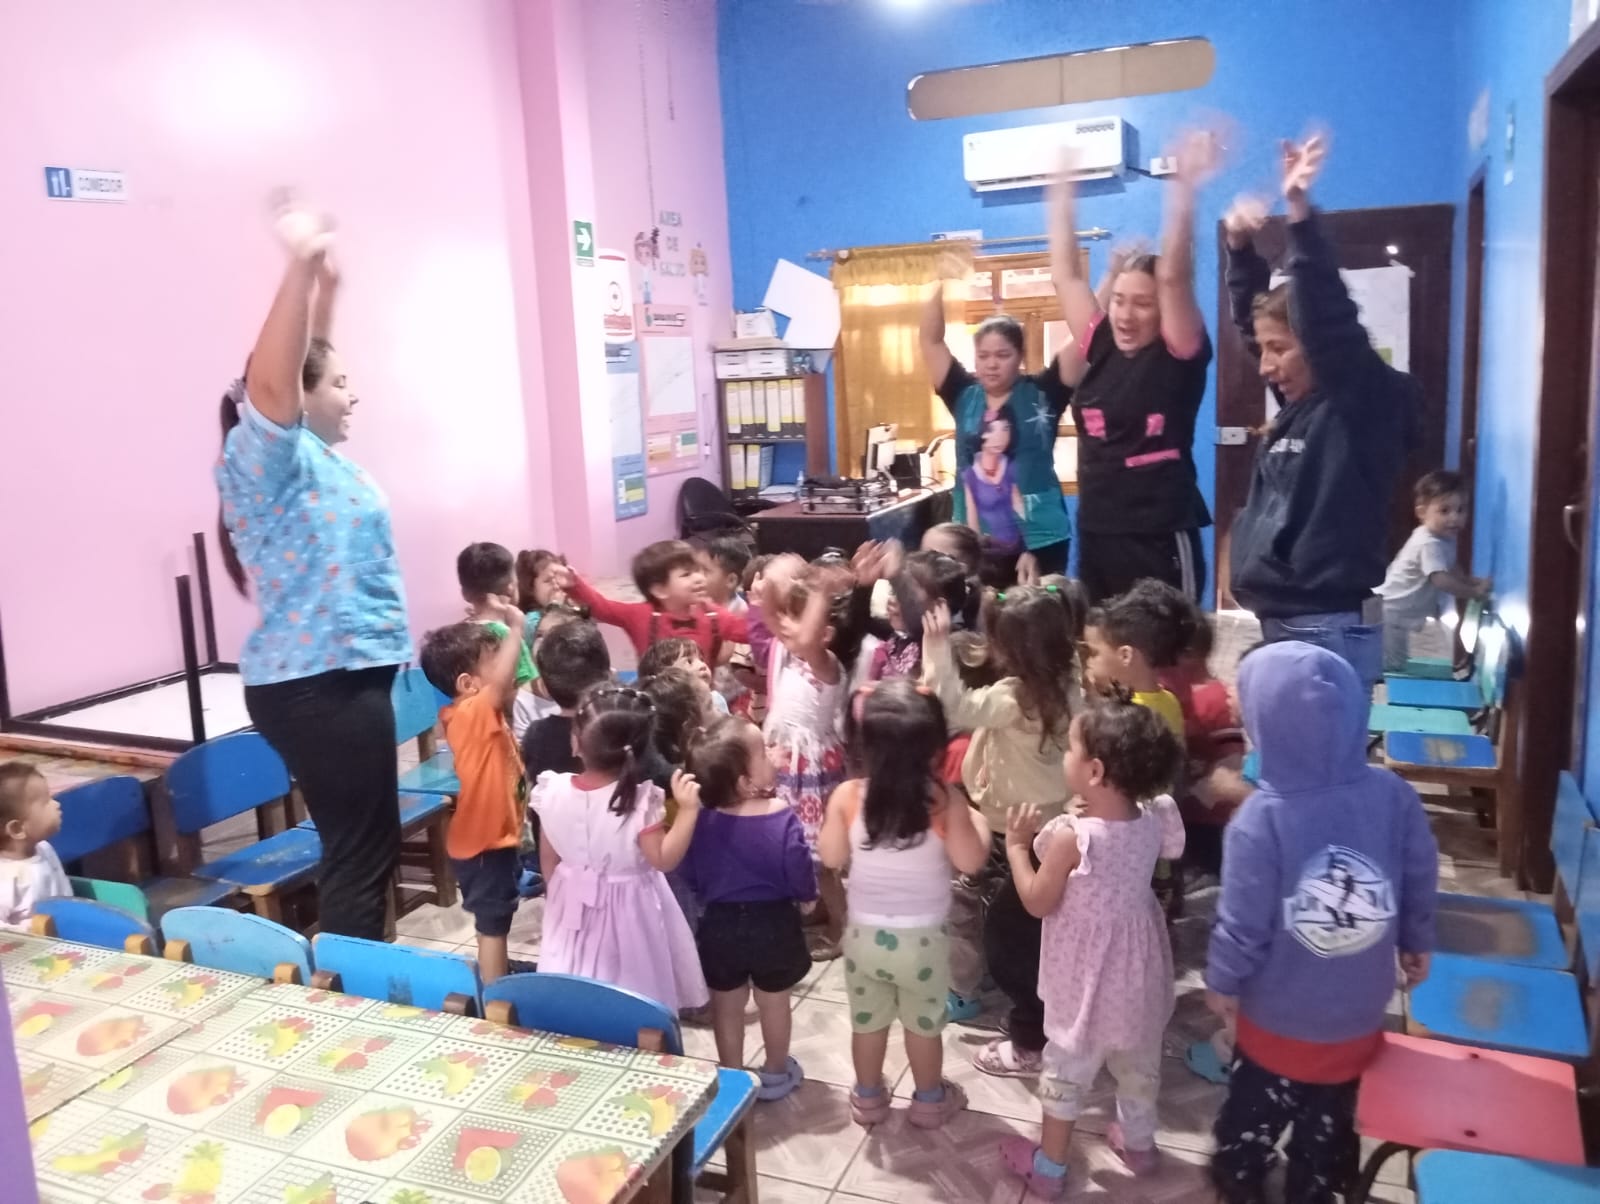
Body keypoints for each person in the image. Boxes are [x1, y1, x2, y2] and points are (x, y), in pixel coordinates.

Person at [215, 200, 410, 942]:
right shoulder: (265, 454)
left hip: (342, 674)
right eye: (340, 383)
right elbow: (276, 380)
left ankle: (356, 976)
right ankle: (351, 995)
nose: (353, 394)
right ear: (299, 395)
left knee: (366, 844)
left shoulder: (312, 458)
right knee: (362, 853)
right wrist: (298, 266)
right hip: (319, 682)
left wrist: (327, 288)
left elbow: (305, 360)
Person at [1206, 642, 1437, 1204]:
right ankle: (1315, 1186)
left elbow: (1244, 921)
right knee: (1327, 1130)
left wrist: (1223, 980)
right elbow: (1419, 869)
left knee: (1249, 1125)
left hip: (1276, 1021)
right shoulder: (1393, 794)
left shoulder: (1260, 819)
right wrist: (1416, 937)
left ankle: (1241, 1179)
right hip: (1359, 1013)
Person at [1224, 135, 1422, 687]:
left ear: (1316, 344)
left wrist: (1299, 215)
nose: (1265, 365)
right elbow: (1254, 325)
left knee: (1319, 747)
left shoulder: (1361, 403)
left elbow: (1328, 319)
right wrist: (1240, 248)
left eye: (1279, 348)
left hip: (1325, 628)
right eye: (1264, 349)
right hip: (1291, 622)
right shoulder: (1303, 404)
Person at [998, 699, 1186, 1197]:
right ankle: (1140, 1147)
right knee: (1139, 1065)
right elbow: (1148, 842)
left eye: (1071, 748)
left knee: (1067, 1073)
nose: (1065, 755)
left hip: (1084, 986)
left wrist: (1016, 848)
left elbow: (1037, 901)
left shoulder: (1072, 838)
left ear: (1095, 771)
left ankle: (1049, 1168)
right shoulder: (1154, 819)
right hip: (1138, 976)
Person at [1051, 131, 1221, 603]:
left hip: (1159, 535)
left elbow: (1175, 275)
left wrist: (1183, 187)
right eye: (1119, 300)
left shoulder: (1177, 353)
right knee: (1103, 645)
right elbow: (1064, 275)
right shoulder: (1101, 343)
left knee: (1167, 644)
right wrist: (1061, 188)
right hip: (1097, 532)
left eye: (1142, 304)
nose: (1125, 315)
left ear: (1162, 309)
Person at [818, 680, 991, 1129]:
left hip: (863, 939)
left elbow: (831, 857)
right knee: (923, 1025)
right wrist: (978, 822)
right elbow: (971, 861)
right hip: (924, 942)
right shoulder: (944, 800)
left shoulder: (847, 797)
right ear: (934, 748)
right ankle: (930, 1100)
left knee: (868, 1023)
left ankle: (868, 1098)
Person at [922, 588, 1079, 1055]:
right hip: (1049, 826)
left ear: (1014, 650)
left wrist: (937, 647)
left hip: (1014, 829)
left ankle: (1030, 1025)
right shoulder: (1071, 684)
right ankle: (1038, 1000)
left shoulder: (1012, 698)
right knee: (1032, 924)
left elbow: (953, 706)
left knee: (1008, 932)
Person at [531, 685, 709, 1012]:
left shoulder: (551, 790)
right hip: (631, 913)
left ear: (577, 742)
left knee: (572, 981)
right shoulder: (640, 802)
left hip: (570, 904)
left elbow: (548, 861)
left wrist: (565, 891)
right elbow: (663, 859)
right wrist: (688, 811)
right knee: (634, 989)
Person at [681, 716, 817, 1099]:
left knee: (727, 1006)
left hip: (719, 925)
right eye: (763, 751)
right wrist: (808, 898)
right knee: (774, 1002)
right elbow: (798, 865)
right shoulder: (781, 814)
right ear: (745, 781)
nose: (773, 753)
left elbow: (690, 872)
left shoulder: (701, 820)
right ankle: (775, 1073)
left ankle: (732, 1077)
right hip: (774, 924)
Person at [921, 272, 1084, 579]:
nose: (991, 364)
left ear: (1020, 356)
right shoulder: (963, 394)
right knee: (974, 607)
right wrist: (937, 281)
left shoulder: (1045, 391)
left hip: (1041, 539)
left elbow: (1086, 336)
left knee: (1037, 607)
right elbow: (930, 340)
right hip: (972, 543)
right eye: (983, 356)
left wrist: (1110, 277)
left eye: (1002, 355)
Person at [418, 605, 531, 983]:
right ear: (468, 684)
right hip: (484, 846)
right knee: (493, 925)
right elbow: (498, 687)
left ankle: (497, 974)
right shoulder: (471, 713)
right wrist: (515, 630)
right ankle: (495, 996)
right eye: (496, 662)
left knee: (497, 916)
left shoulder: (480, 715)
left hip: (492, 842)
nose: (508, 668)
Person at [755, 564, 851, 958]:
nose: (786, 629)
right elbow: (770, 617)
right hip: (793, 766)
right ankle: (823, 910)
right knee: (803, 850)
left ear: (826, 632)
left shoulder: (823, 663)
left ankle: (842, 926)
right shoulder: (796, 657)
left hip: (812, 769)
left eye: (797, 620)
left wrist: (823, 592)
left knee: (823, 859)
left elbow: (806, 634)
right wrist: (771, 584)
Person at [555, 541, 748, 664]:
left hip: (701, 703)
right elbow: (602, 608)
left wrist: (761, 604)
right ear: (659, 590)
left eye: (699, 571)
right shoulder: (640, 616)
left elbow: (747, 631)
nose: (699, 578)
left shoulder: (712, 615)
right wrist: (574, 585)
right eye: (686, 574)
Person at [1378, 469, 1491, 670]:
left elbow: (1452, 568)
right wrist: (1473, 592)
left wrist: (1471, 581)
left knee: (1396, 660)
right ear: (1422, 513)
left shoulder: (1443, 538)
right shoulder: (1429, 543)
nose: (1454, 518)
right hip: (1390, 613)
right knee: (1392, 664)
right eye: (1444, 511)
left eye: (1461, 510)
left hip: (1397, 613)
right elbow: (1440, 579)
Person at [1080, 580, 1195, 738]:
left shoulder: (1122, 717)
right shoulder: (1170, 702)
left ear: (1125, 656)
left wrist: (1092, 697)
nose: (1088, 662)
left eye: (1094, 653)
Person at [457, 541, 543, 740]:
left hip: (475, 735)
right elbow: (521, 693)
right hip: (511, 739)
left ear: (465, 594)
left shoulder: (461, 633)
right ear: (511, 588)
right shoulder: (508, 636)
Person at [0, 764, 69, 931]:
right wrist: (30, 932)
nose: (56, 804)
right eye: (46, 801)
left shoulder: (45, 849)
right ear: (17, 829)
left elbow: (65, 897)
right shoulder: (5, 878)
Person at [960, 412, 1026, 581]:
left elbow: (1022, 509)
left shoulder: (1013, 467)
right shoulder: (970, 475)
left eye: (1005, 429)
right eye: (991, 430)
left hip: (1019, 550)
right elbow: (972, 520)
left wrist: (1031, 548)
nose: (1000, 437)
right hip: (989, 554)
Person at [637, 637, 729, 715]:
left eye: (701, 659)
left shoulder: (716, 701)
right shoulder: (660, 717)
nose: (702, 665)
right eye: (689, 662)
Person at [515, 548, 573, 646]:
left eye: (558, 578)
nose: (556, 585)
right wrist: (555, 608)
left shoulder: (571, 607)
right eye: (548, 581)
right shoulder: (531, 621)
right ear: (531, 588)